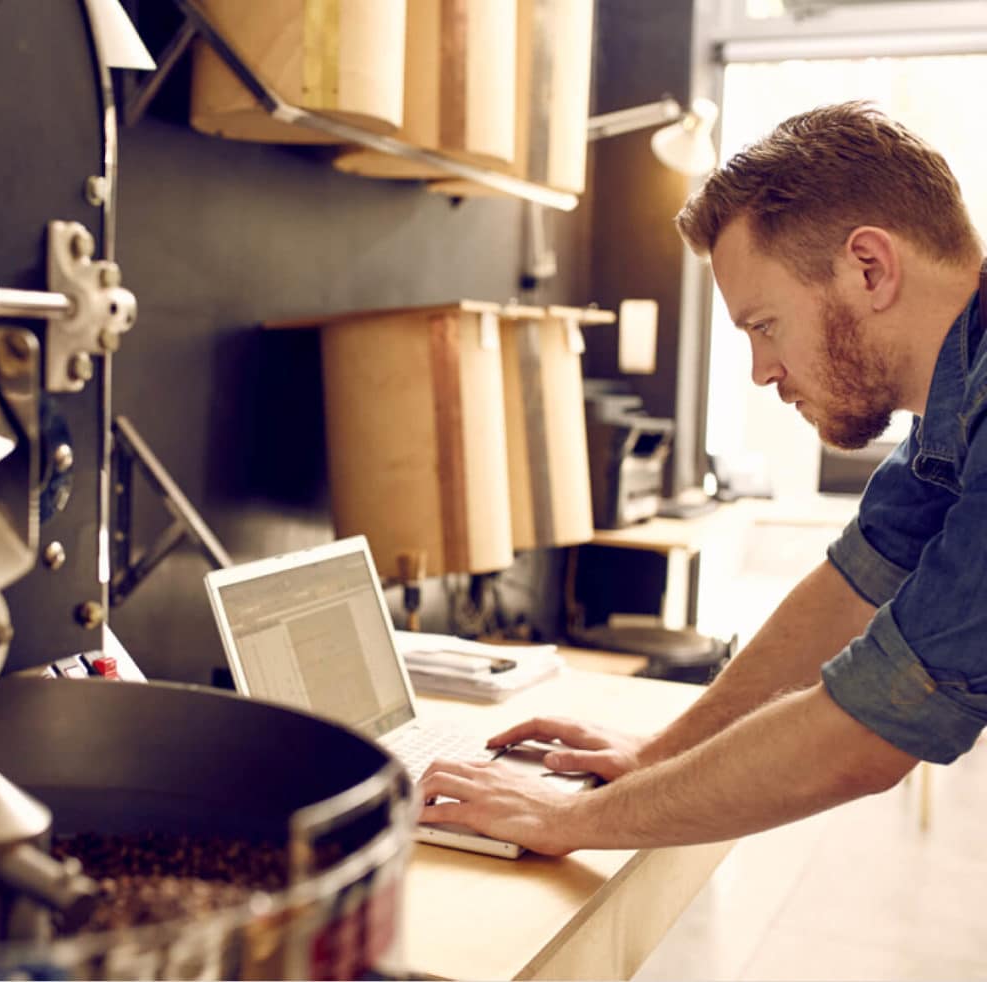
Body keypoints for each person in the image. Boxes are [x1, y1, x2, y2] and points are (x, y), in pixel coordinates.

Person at [418, 101, 987, 856]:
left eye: (764, 325)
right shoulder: (954, 406)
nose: (761, 371)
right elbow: (853, 583)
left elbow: (870, 732)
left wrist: (562, 821)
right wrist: (660, 751)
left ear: (869, 268)